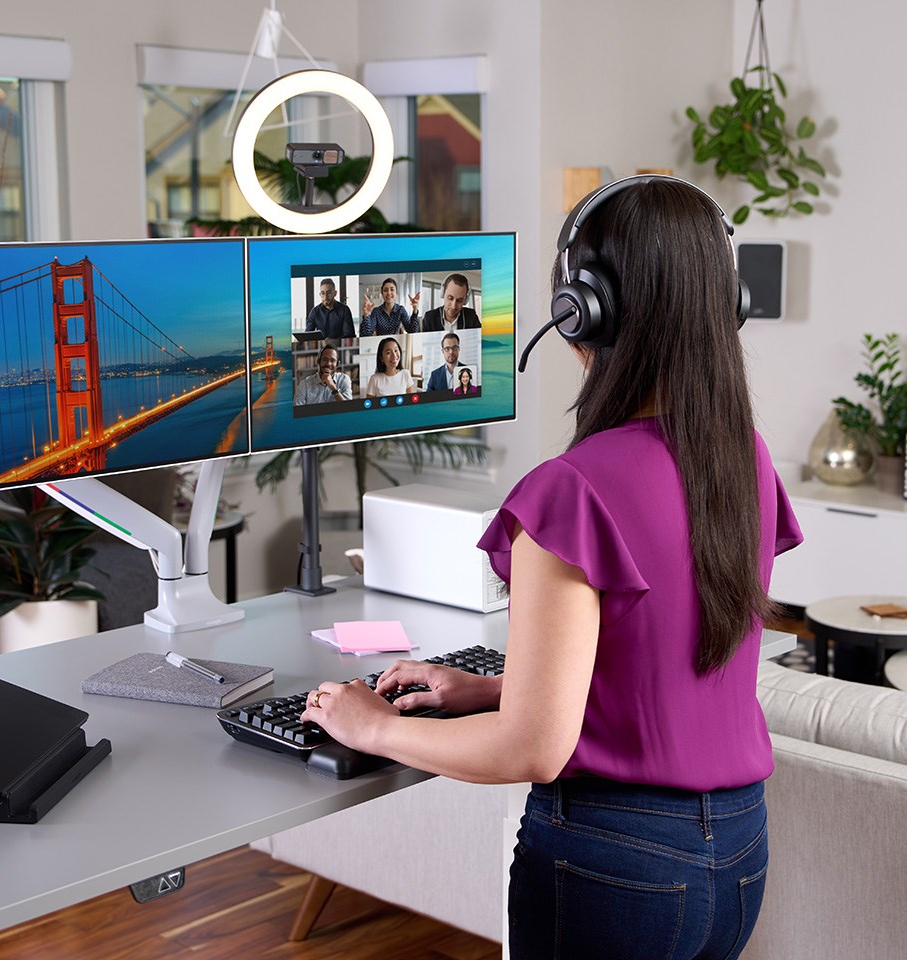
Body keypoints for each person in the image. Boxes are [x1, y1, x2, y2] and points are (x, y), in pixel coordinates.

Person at [301, 177, 803, 959]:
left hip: (615, 868)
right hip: (737, 857)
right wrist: (498, 689)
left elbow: (530, 750)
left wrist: (376, 726)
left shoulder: (572, 492)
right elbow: (669, 667)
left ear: (581, 311)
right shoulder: (742, 457)